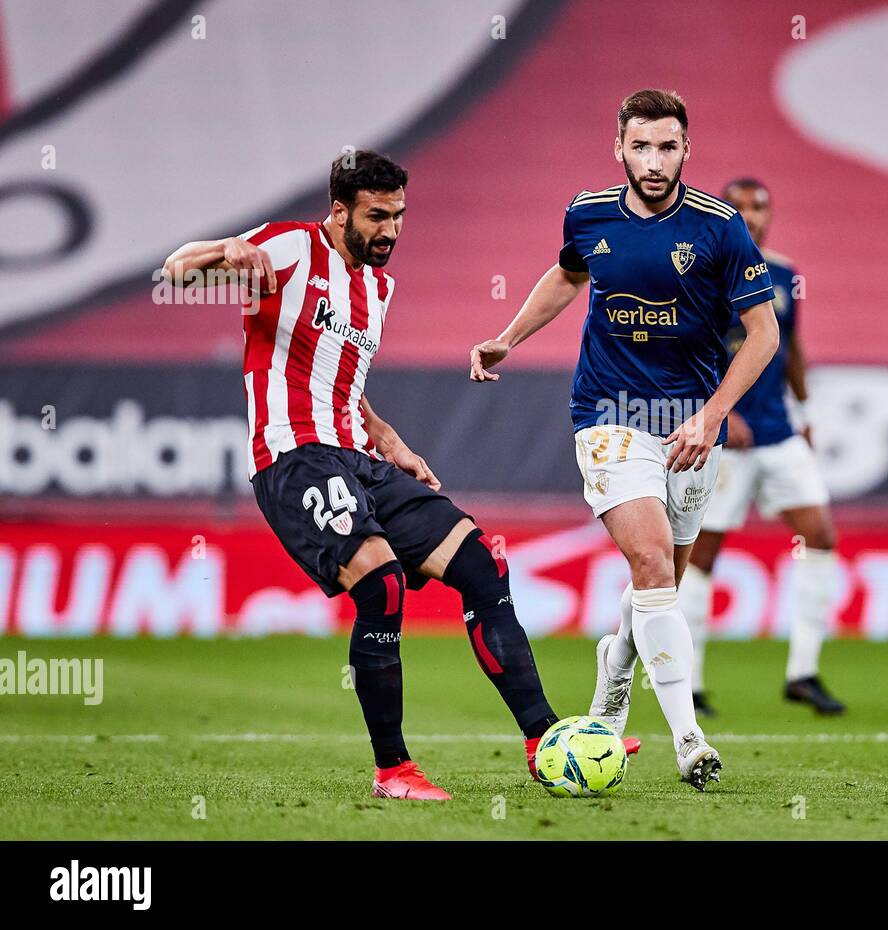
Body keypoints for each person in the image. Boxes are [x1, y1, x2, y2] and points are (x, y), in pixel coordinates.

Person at [163, 150, 636, 801]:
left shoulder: (378, 288)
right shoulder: (288, 250)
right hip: (294, 457)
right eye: (376, 216)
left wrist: (391, 441)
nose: (390, 230)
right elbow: (177, 272)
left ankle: (545, 737)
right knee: (382, 583)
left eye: (399, 216)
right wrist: (221, 252)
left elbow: (344, 385)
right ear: (338, 212)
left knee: (481, 567)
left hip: (360, 458)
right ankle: (393, 770)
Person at [470, 89, 779, 790]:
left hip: (691, 430)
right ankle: (690, 741)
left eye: (667, 146)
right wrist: (508, 338)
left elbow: (765, 333)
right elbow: (567, 275)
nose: (653, 160)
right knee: (651, 566)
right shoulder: (589, 213)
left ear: (685, 150)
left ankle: (614, 670)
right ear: (619, 147)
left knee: (658, 580)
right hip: (607, 415)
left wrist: (714, 413)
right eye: (640, 146)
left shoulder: (720, 228)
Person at [678, 178, 846, 717]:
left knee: (819, 533)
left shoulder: (783, 272)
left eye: (759, 207)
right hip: (724, 435)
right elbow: (686, 347)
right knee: (702, 553)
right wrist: (721, 410)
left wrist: (807, 411)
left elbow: (789, 343)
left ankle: (803, 672)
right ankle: (691, 681)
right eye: (739, 207)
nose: (749, 216)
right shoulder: (701, 267)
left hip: (778, 432)